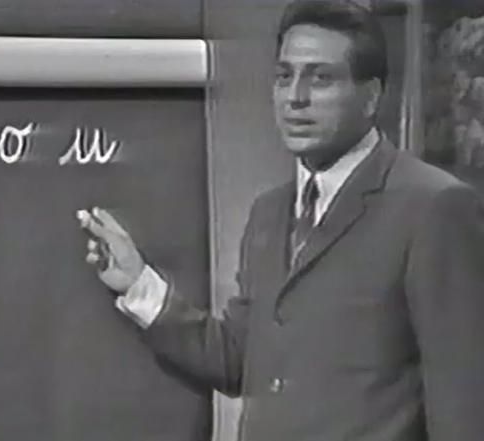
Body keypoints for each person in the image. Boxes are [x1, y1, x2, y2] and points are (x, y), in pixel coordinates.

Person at [78, 1, 484, 440]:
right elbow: (239, 362)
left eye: (320, 78)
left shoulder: (433, 207)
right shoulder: (269, 214)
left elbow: (464, 404)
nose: (295, 98)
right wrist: (139, 284)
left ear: (371, 96)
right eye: (284, 77)